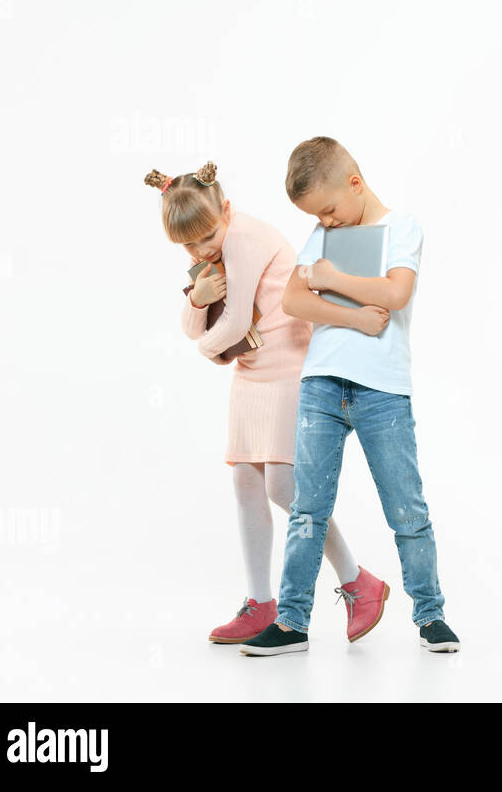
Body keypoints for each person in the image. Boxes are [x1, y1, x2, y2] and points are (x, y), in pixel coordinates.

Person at [238, 137, 460, 656]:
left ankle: (430, 615)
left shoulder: (401, 227)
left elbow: (397, 292)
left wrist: (333, 280)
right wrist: (355, 315)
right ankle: (292, 623)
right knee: (307, 510)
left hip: (384, 390)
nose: (328, 223)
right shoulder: (320, 235)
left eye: (331, 210)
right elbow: (295, 299)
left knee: (407, 509)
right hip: (321, 384)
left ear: (355, 184)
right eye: (318, 216)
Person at [144, 162, 381, 645]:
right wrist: (197, 299)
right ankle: (259, 603)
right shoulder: (212, 248)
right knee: (245, 482)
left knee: (283, 487)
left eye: (206, 236)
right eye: (188, 246)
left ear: (226, 210)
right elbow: (198, 325)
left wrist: (205, 348)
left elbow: (227, 329)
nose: (201, 250)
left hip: (289, 368)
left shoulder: (244, 238)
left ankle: (359, 580)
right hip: (252, 375)